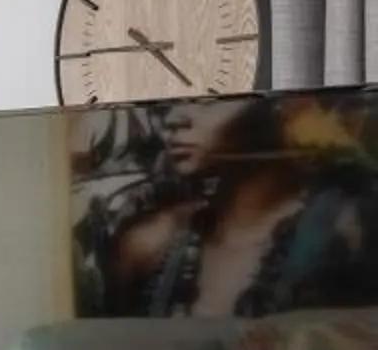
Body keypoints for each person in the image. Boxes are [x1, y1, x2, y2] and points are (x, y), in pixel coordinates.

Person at [73, 93, 378, 317]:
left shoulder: (345, 228)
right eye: (169, 104)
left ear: (283, 107)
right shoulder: (151, 243)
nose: (175, 119)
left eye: (210, 99)